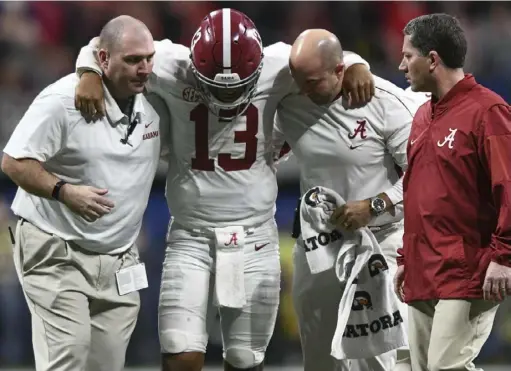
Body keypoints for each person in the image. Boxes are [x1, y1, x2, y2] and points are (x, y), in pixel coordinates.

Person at [73, 9, 375, 371]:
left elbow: (329, 56)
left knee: (246, 359)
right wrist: (89, 72)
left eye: (237, 86)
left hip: (255, 236)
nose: (226, 94)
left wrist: (358, 65)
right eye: (215, 85)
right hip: (191, 235)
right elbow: (100, 46)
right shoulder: (171, 61)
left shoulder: (278, 64)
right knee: (180, 354)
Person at [1, 15, 169, 371]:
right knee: (69, 358)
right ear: (104, 59)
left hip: (119, 260)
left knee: (105, 365)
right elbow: (13, 162)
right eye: (132, 60)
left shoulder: (158, 93)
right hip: (56, 249)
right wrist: (64, 191)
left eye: (148, 58)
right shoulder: (63, 100)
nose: (144, 68)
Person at [273, 29, 423, 371]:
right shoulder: (292, 100)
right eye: (299, 81)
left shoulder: (384, 102)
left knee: (377, 356)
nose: (304, 90)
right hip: (319, 247)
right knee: (320, 358)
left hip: (381, 243)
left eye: (312, 82)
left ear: (339, 71)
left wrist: (375, 206)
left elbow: (424, 176)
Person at [394, 13, 511, 371]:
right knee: (417, 368)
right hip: (423, 268)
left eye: (408, 56)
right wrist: (405, 258)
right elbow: (417, 192)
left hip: (467, 271)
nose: (401, 65)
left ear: (432, 60)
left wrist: (504, 257)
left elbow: (508, 186)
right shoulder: (422, 116)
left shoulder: (487, 111)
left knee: (447, 367)